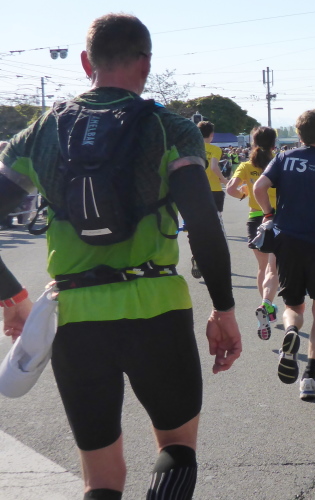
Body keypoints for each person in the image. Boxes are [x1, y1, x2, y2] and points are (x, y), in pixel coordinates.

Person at [0, 14, 242, 499]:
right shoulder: (169, 128)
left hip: (74, 316)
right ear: (146, 64)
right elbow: (203, 223)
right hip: (158, 308)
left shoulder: (41, 132)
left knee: (102, 479)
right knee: (176, 446)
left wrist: (15, 300)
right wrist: (223, 309)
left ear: (85, 61)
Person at [253, 109, 315, 401]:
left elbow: (259, 187)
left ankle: (291, 331)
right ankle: (309, 377)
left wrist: (269, 213)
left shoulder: (283, 158)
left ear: (299, 135)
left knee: (294, 306)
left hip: (287, 241)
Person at [226, 126, 279, 340]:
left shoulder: (246, 166)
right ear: (274, 144)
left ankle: (265, 307)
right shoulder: (279, 163)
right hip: (275, 217)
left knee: (262, 267)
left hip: (255, 219)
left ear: (254, 143)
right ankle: (267, 304)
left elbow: (231, 189)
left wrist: (244, 195)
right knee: (274, 269)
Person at [191, 120, 227, 279]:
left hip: (196, 189)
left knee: (197, 226)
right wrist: (224, 180)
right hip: (214, 190)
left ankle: (197, 256)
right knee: (216, 226)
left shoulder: (192, 147)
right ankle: (215, 259)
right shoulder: (215, 149)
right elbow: (213, 167)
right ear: (211, 135)